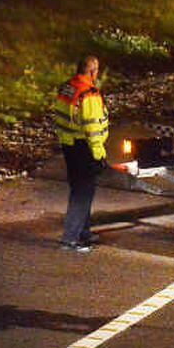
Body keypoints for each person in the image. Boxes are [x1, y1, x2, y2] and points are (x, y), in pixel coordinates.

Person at [50, 55, 110, 252]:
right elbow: (92, 128)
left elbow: (60, 117)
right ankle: (71, 238)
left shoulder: (67, 88)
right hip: (84, 146)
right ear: (92, 72)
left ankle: (83, 230)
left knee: (82, 188)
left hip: (69, 144)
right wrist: (99, 153)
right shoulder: (89, 94)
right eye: (97, 70)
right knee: (82, 192)